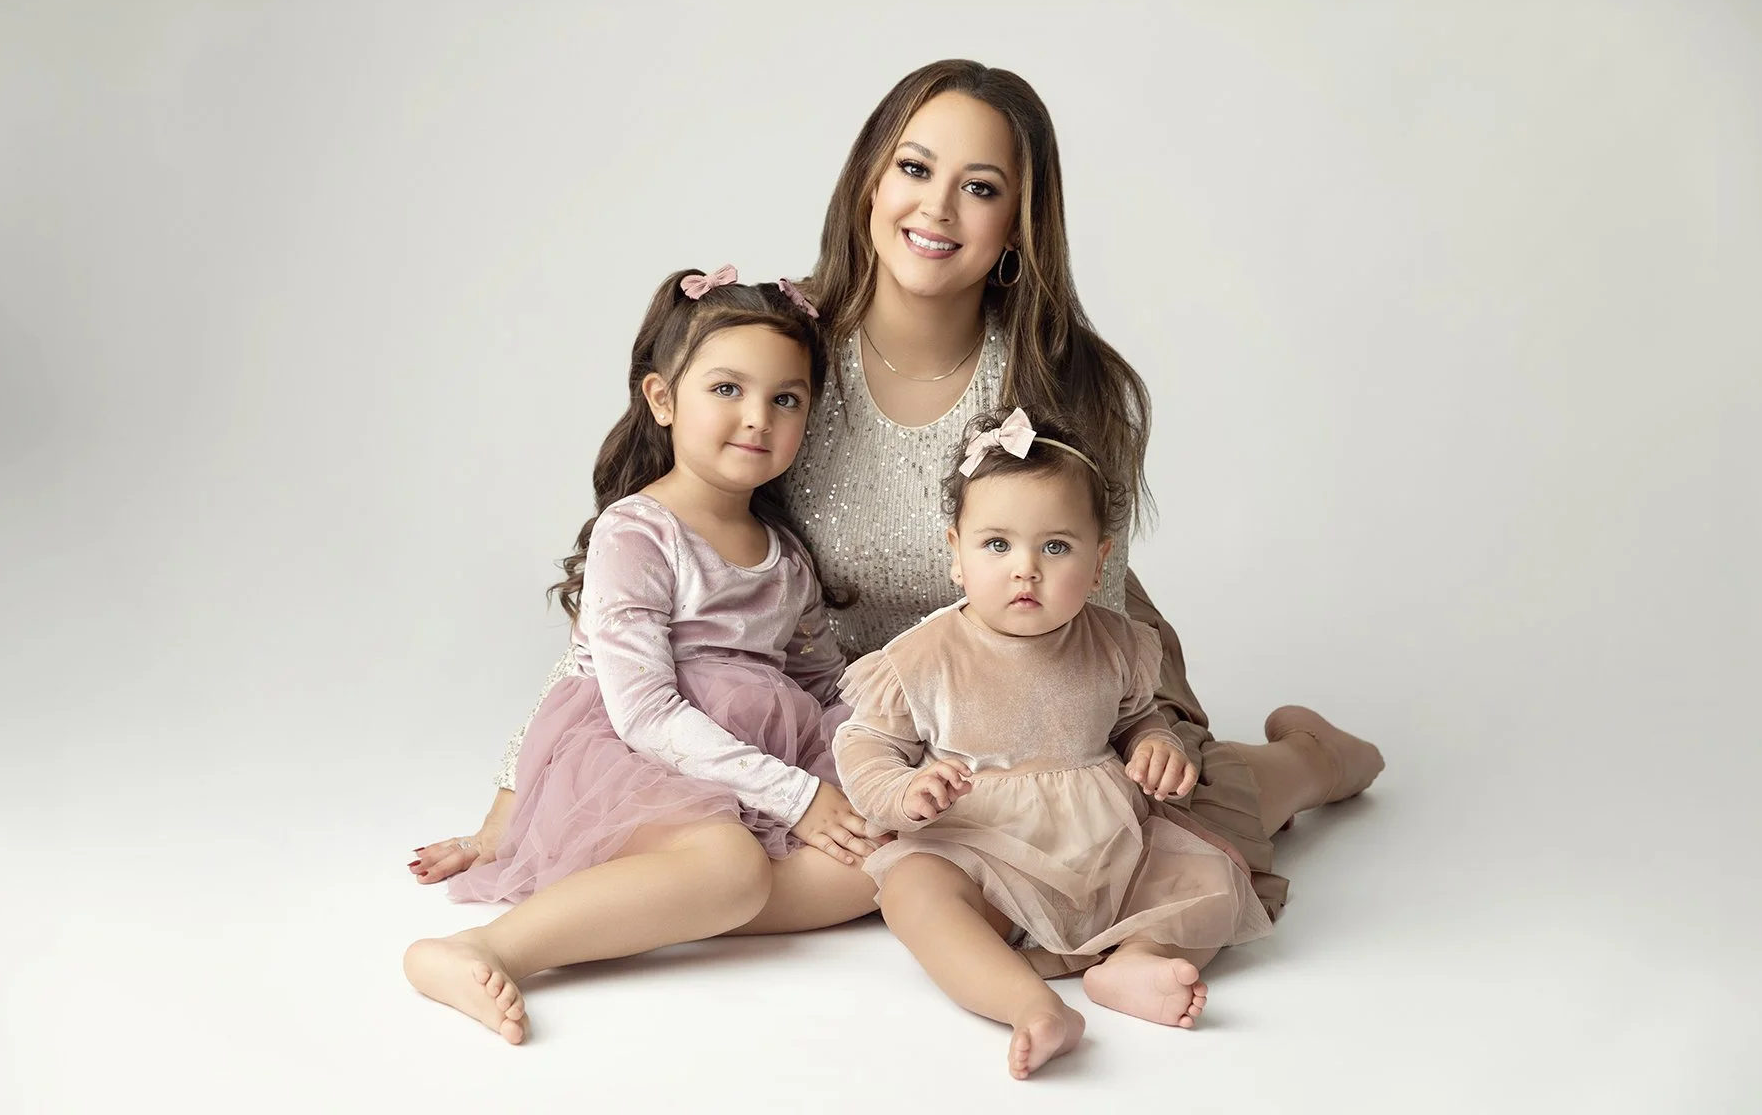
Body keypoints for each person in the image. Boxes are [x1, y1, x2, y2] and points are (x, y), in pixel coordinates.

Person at [412, 58, 1384, 971]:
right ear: (870, 183)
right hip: (846, 710)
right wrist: (515, 795)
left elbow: (1102, 614)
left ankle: (1306, 762)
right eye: (916, 168)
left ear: (1019, 223)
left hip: (1042, 672)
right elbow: (650, 573)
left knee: (1149, 838)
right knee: (902, 849)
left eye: (982, 186)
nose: (938, 206)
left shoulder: (1066, 384)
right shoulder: (783, 359)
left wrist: (1146, 737)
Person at [403, 268, 882, 1043]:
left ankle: (648, 907)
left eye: (785, 399)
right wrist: (797, 798)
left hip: (751, 759)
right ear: (663, 399)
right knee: (730, 865)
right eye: (726, 389)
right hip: (642, 758)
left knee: (875, 860)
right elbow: (639, 708)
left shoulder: (787, 556)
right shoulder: (638, 531)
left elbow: (823, 681)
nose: (756, 417)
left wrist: (901, 739)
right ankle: (478, 949)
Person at [835, 407, 1274, 1079]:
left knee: (1208, 877)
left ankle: (1135, 962)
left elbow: (1132, 719)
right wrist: (903, 791)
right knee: (914, 891)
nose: (1025, 571)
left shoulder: (1116, 644)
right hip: (983, 848)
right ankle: (1029, 1005)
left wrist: (1153, 743)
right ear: (954, 552)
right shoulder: (922, 659)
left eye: (1056, 548)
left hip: (1108, 845)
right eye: (996, 545)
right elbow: (864, 744)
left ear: (1099, 561)